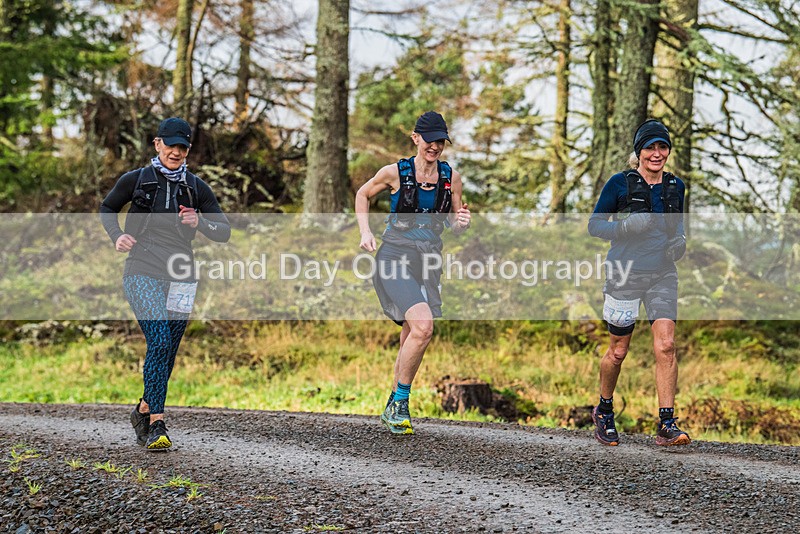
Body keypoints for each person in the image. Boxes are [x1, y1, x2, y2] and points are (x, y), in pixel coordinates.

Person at [99, 117, 231, 450]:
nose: (176, 151)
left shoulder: (197, 188)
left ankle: (143, 409)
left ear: (187, 150)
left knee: (168, 350)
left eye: (182, 147)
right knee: (158, 339)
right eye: (170, 145)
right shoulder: (137, 179)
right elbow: (107, 208)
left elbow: (224, 232)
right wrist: (117, 235)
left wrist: (200, 222)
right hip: (141, 269)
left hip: (183, 276)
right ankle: (156, 423)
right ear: (157, 144)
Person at [355, 111, 471, 435]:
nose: (434, 146)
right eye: (429, 139)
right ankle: (401, 402)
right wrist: (365, 232)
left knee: (411, 333)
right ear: (415, 137)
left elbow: (452, 221)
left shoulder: (452, 178)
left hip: (428, 262)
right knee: (423, 326)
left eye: (440, 141)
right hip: (394, 258)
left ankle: (393, 403)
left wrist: (460, 223)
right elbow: (362, 194)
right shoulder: (394, 172)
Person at [588, 118, 689, 447]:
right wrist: (625, 228)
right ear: (639, 152)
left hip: (662, 274)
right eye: (650, 147)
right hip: (625, 273)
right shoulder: (619, 184)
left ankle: (667, 422)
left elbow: (678, 230)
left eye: (662, 147)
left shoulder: (676, 187)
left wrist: (680, 243)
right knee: (618, 351)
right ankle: (604, 410)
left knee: (666, 345)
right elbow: (594, 226)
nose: (657, 153)